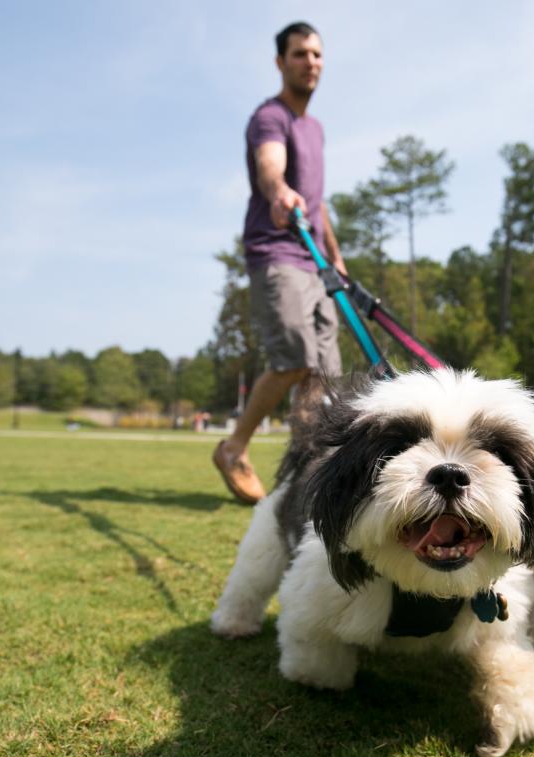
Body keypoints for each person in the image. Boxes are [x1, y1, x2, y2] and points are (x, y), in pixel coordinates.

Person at [212, 21, 348, 505]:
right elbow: (272, 167)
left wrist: (335, 252)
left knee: (324, 374)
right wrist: (278, 189)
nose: (310, 62)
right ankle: (233, 448)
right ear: (280, 63)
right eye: (299, 54)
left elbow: (318, 200)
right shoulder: (270, 118)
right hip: (277, 250)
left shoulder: (316, 129)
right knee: (293, 358)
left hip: (314, 259)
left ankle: (304, 476)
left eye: (316, 54)